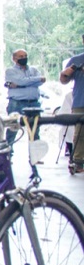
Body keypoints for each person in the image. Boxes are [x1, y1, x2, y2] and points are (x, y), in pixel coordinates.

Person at [4, 49, 46, 144]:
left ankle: (35, 158)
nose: (24, 58)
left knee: (34, 132)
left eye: (25, 56)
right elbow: (21, 81)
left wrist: (20, 84)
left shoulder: (34, 70)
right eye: (21, 56)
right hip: (16, 103)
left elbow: (40, 82)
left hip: (34, 104)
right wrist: (34, 80)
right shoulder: (10, 71)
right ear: (14, 59)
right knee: (12, 131)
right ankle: (7, 156)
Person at [58, 38, 84, 173]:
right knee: (80, 133)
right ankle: (78, 162)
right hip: (81, 101)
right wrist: (70, 70)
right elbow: (63, 80)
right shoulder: (76, 60)